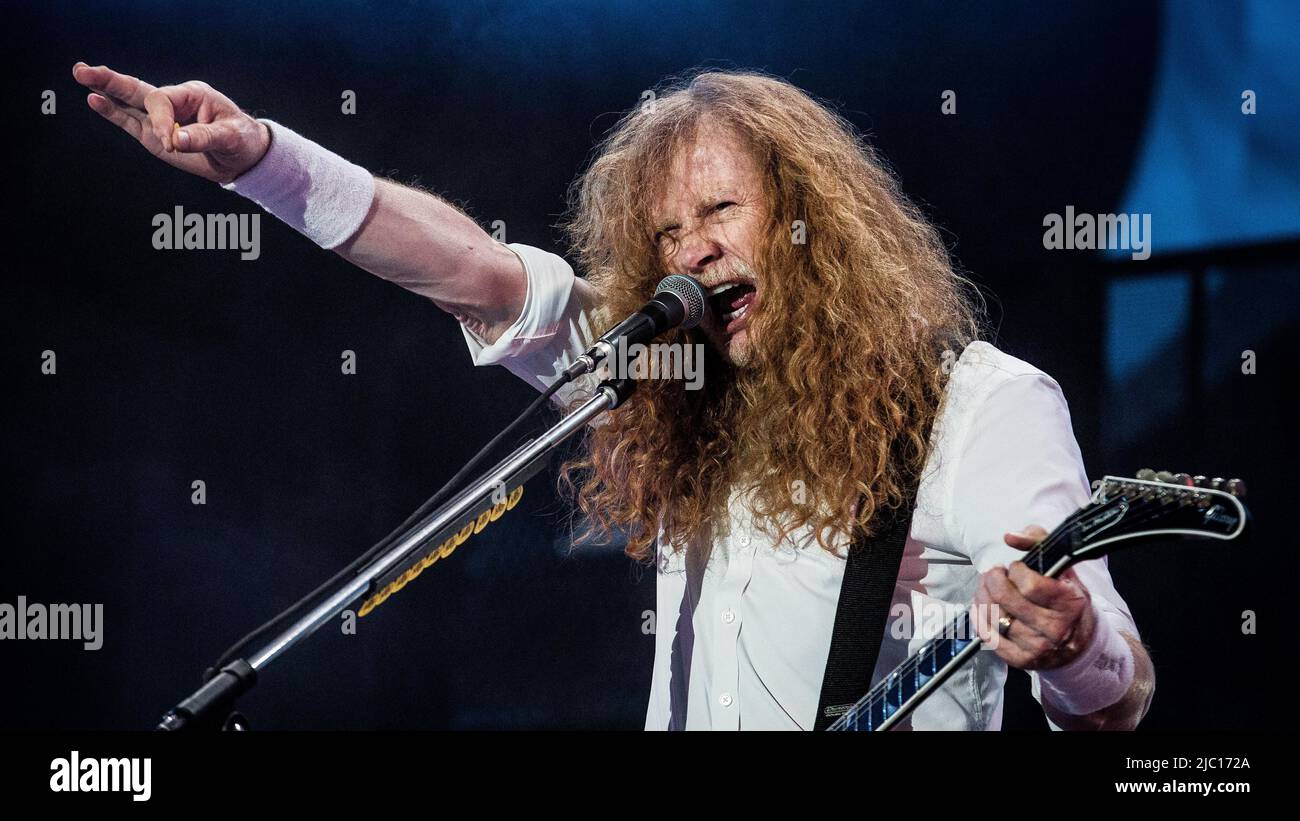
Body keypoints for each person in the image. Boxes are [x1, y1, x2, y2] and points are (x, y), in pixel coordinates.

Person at [74, 61, 1154, 730]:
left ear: (807, 222)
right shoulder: (662, 378)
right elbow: (474, 271)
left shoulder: (973, 405)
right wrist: (260, 160)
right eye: (666, 235)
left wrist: (1067, 647)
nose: (689, 253)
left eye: (720, 211)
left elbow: (1121, 686)